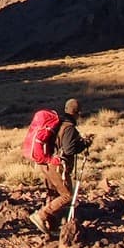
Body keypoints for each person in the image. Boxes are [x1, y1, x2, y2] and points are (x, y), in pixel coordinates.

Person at [31, 98, 88, 235]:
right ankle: (41, 215)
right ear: (77, 113)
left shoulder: (57, 123)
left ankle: (52, 226)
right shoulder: (68, 127)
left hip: (45, 163)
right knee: (67, 195)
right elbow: (68, 150)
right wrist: (84, 144)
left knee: (53, 193)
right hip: (56, 166)